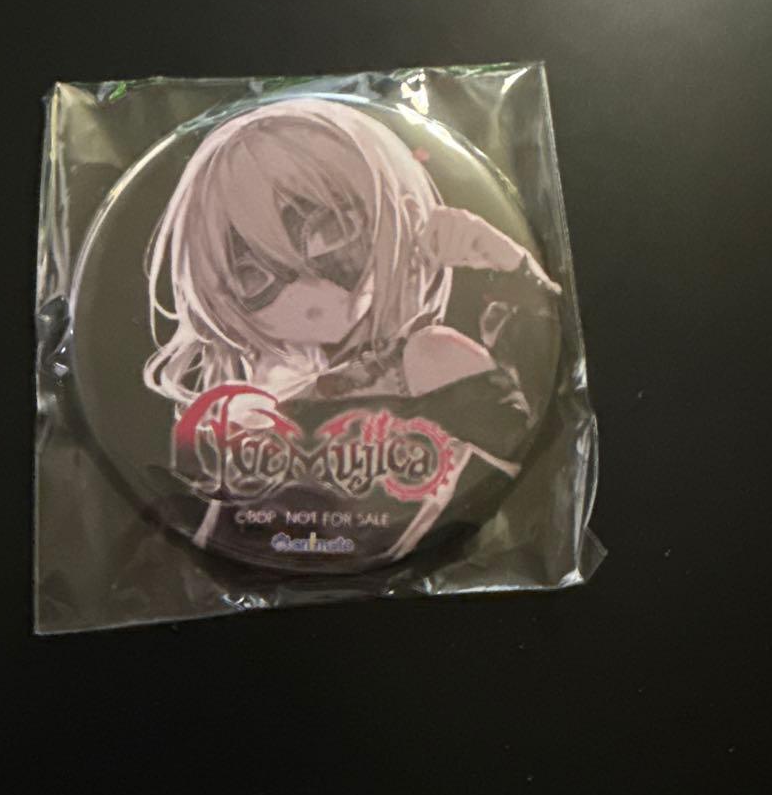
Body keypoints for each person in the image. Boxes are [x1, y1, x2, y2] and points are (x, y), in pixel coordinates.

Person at [143, 97, 561, 564]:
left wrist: (513, 270)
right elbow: (220, 527)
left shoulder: (428, 360)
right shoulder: (248, 403)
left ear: (395, 218)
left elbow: (529, 449)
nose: (301, 290)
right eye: (250, 274)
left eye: (328, 230)